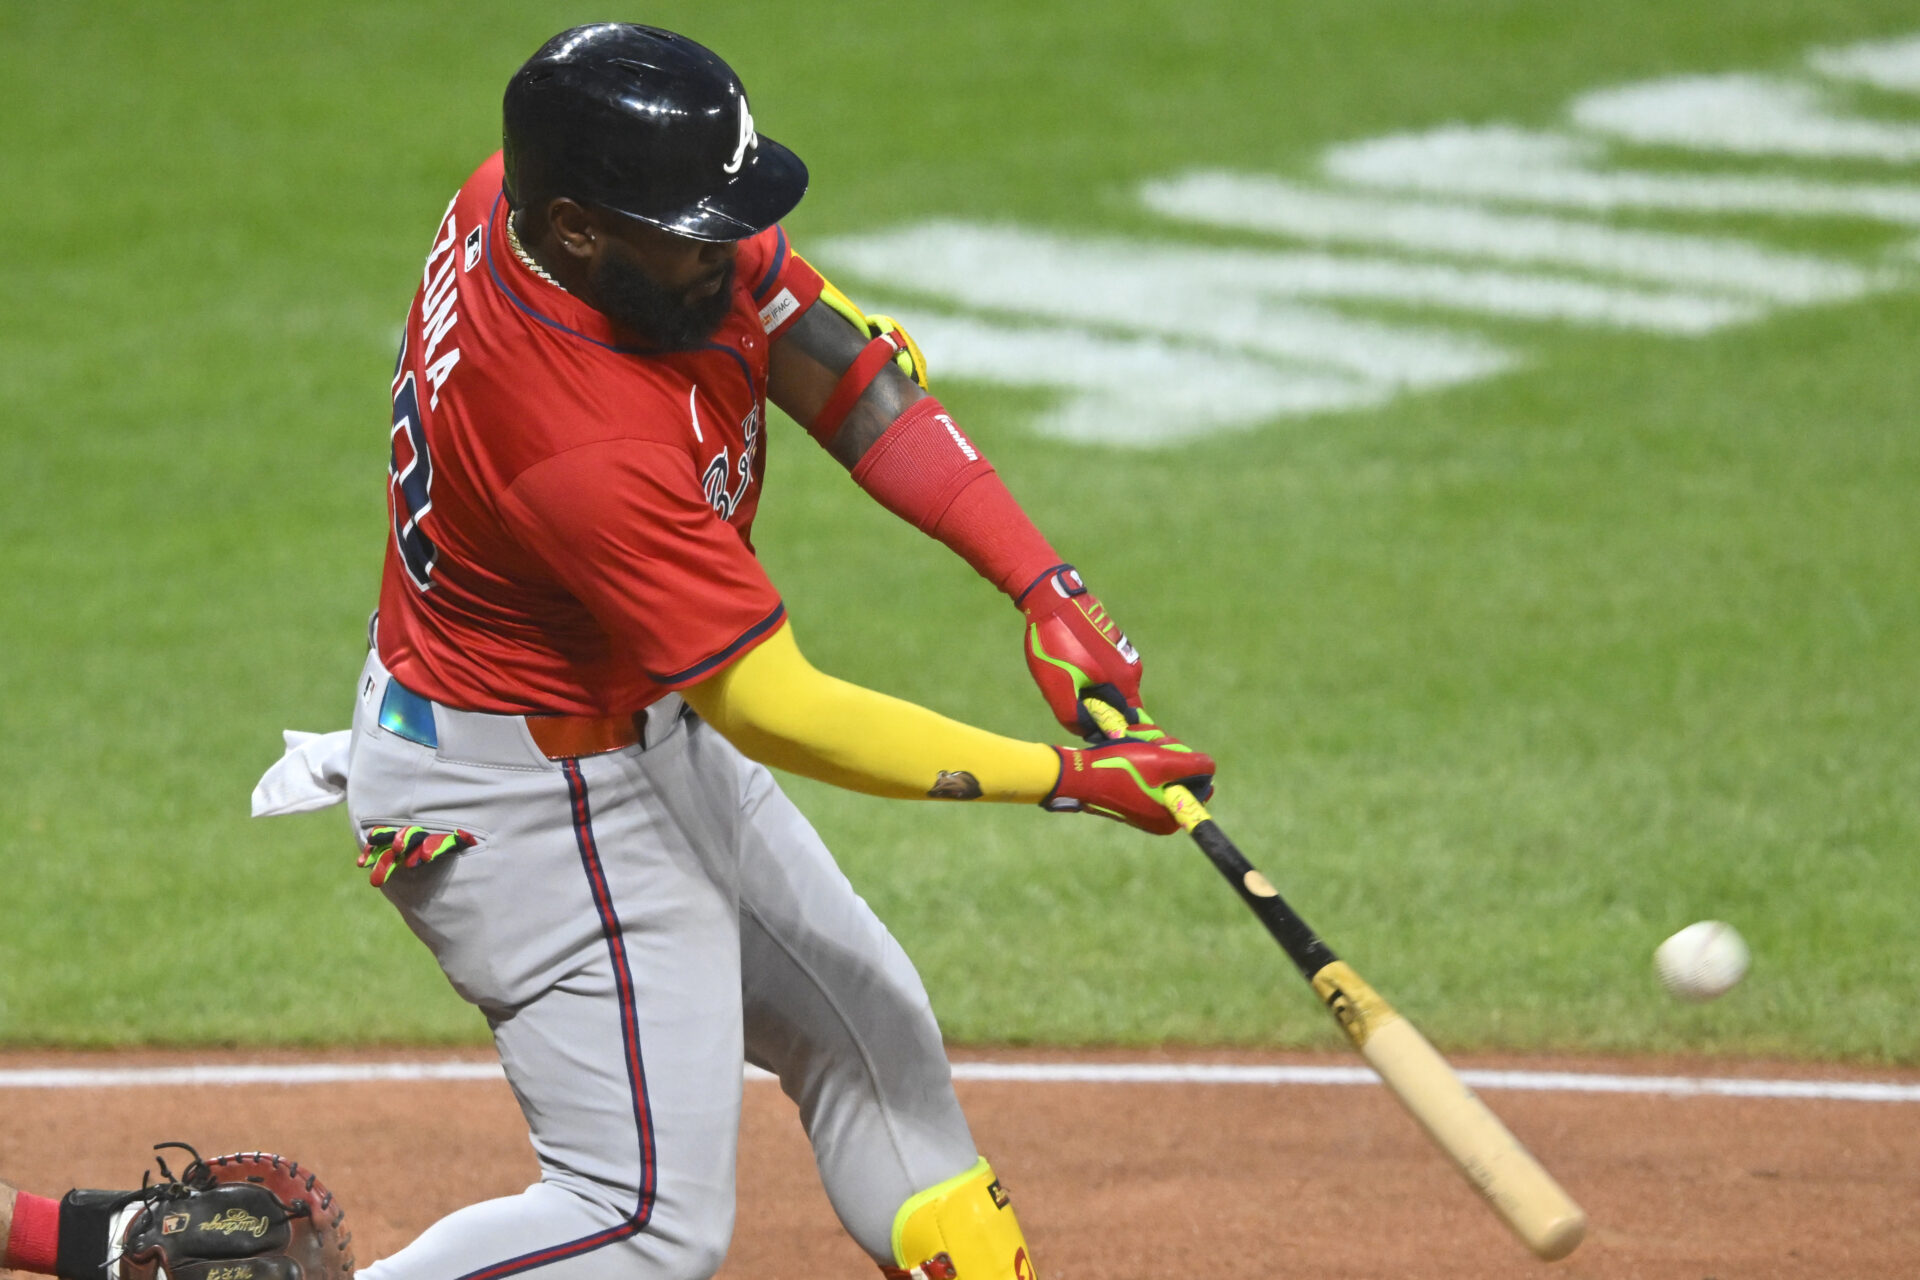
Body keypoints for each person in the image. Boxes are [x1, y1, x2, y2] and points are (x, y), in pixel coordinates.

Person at [344, 23, 1213, 1280]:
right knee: (643, 1222)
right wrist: (1065, 778)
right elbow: (777, 705)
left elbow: (841, 370)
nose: (733, 250)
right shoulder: (577, 442)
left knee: (874, 1041)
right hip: (528, 803)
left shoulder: (555, 205)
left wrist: (1044, 583)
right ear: (582, 227)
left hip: (631, 723)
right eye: (697, 230)